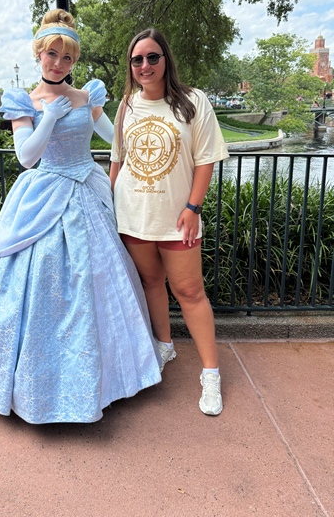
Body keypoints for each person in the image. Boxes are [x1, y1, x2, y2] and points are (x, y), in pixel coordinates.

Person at [0, 10, 162, 424]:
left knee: (101, 277)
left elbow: (116, 138)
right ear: (39, 54)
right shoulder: (24, 101)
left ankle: (111, 376)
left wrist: (154, 122)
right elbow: (26, 157)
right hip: (46, 193)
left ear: (74, 61)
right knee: (44, 282)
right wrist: (48, 117)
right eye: (52, 54)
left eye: (67, 57)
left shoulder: (87, 96)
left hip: (87, 189)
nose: (58, 63)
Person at [110, 28, 229, 416]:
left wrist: (193, 208)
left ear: (165, 59)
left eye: (152, 57)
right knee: (150, 283)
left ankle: (210, 374)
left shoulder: (193, 102)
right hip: (133, 215)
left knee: (190, 292)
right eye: (137, 59)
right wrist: (109, 204)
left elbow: (206, 159)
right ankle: (164, 346)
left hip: (178, 219)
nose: (145, 65)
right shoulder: (126, 105)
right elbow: (118, 159)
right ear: (131, 66)